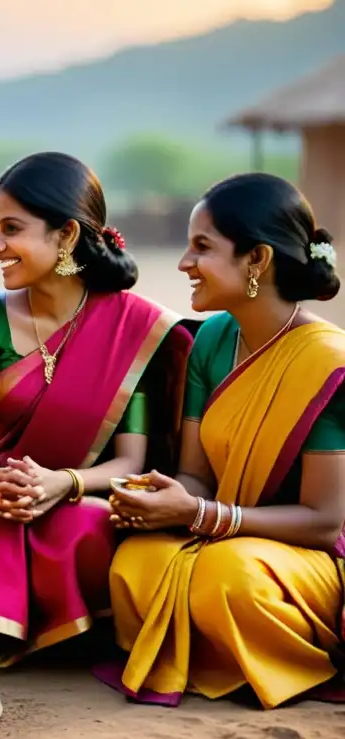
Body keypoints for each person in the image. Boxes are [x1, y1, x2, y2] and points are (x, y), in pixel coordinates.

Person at [0, 152, 193, 666]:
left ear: (67, 235)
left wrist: (61, 484)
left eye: (11, 229)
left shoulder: (130, 330)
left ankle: (66, 636)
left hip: (81, 494)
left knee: (82, 530)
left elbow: (131, 463)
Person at [99, 173, 345, 710]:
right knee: (136, 562)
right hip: (222, 534)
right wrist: (162, 496)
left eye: (202, 247)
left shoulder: (328, 363)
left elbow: (326, 522)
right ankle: (218, 653)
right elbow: (196, 477)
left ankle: (285, 661)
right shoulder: (212, 339)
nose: (185, 262)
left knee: (227, 578)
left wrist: (203, 516)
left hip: (307, 556)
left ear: (257, 260)